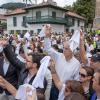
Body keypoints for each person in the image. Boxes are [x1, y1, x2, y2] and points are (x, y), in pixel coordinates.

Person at [44, 25, 80, 100]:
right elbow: (48, 49)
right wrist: (47, 36)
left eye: (66, 48)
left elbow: (76, 81)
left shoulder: (76, 64)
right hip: (54, 87)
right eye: (63, 48)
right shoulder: (59, 56)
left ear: (72, 50)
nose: (64, 50)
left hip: (65, 91)